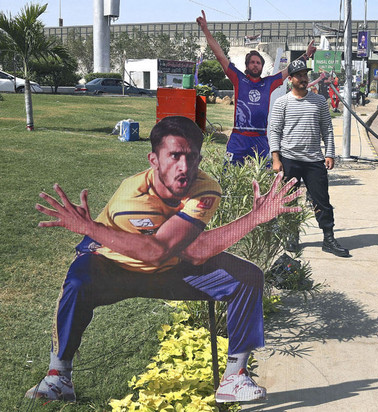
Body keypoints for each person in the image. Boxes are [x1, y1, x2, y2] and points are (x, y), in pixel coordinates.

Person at [26, 116, 302, 403]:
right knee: (78, 279)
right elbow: (154, 252)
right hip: (116, 268)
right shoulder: (131, 198)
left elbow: (193, 252)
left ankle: (234, 377)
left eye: (191, 157)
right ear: (154, 160)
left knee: (246, 276)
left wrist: (255, 217)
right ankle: (58, 379)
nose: (184, 167)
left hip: (171, 268)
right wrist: (90, 230)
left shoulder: (206, 188)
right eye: (174, 156)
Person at [197, 10, 316, 164]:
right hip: (238, 138)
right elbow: (220, 55)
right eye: (252, 62)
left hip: (260, 139)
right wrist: (205, 29)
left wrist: (306, 55)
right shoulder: (238, 79)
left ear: (261, 66)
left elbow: (290, 70)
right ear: (247, 65)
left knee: (261, 179)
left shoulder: (268, 83)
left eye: (258, 62)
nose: (255, 65)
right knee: (227, 174)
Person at [269, 59, 350, 258]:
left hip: (314, 160)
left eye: (306, 75)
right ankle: (291, 235)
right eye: (300, 75)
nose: (304, 79)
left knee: (322, 201)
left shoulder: (319, 101)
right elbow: (274, 131)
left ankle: (328, 238)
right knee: (290, 201)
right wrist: (276, 159)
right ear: (290, 79)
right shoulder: (282, 103)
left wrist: (330, 153)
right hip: (289, 160)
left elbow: (327, 129)